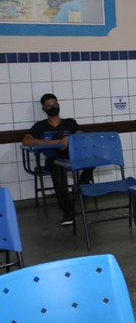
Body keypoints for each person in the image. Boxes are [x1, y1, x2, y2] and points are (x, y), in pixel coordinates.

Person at [22, 93, 95, 226]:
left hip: (71, 156)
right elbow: (26, 140)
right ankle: (67, 211)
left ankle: (82, 182)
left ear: (58, 105)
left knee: (92, 156)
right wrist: (54, 142)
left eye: (55, 105)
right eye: (49, 106)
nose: (53, 108)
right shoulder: (40, 126)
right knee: (57, 168)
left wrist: (70, 138)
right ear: (44, 110)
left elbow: (80, 136)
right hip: (53, 158)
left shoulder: (69, 123)